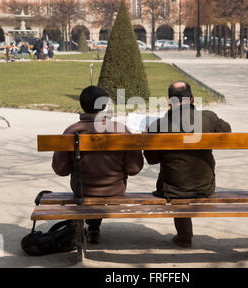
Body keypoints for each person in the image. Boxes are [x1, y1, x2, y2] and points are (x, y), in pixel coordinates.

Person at [144, 81, 231, 248]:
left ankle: (184, 236)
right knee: (184, 176)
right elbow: (227, 132)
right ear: (192, 99)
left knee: (177, 179)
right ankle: (184, 236)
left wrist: (148, 137)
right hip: (205, 186)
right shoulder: (208, 118)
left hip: (172, 189)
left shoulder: (158, 126)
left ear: (169, 100)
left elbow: (152, 159)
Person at [52, 86, 144, 244]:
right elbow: (134, 169)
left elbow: (61, 170)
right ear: (103, 106)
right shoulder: (121, 130)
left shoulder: (72, 131)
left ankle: (92, 226)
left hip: (82, 189)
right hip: (114, 189)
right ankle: (93, 227)